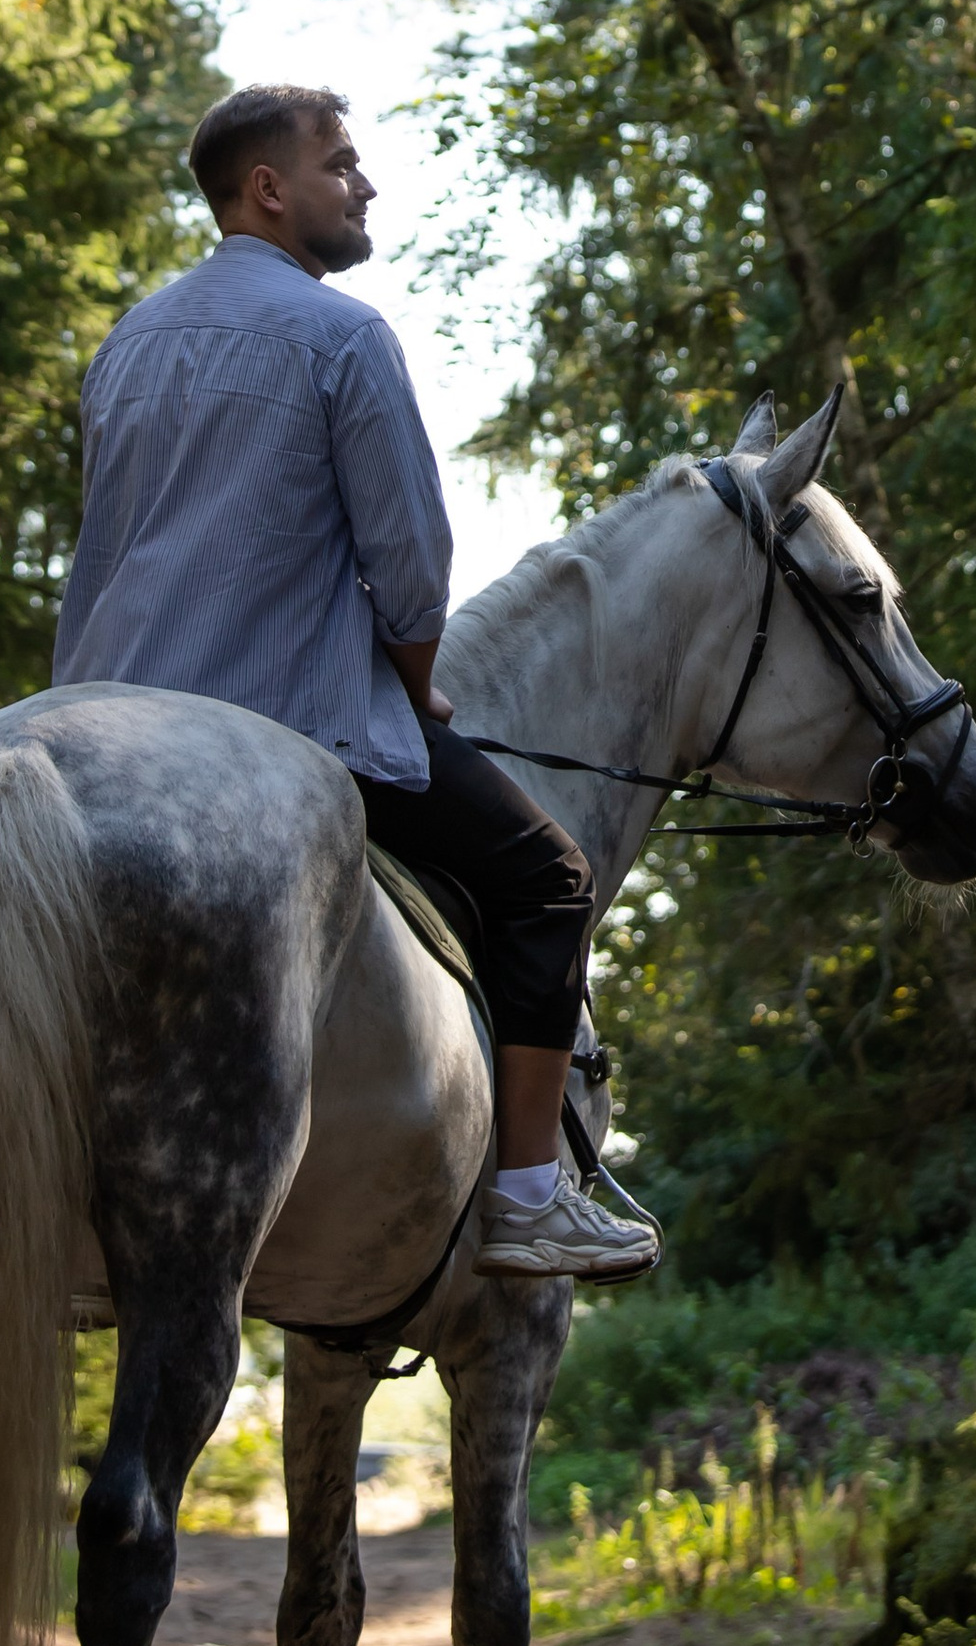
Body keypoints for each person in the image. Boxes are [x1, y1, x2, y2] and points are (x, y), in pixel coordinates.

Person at [50, 80, 658, 1284]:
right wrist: (414, 685)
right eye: (339, 163)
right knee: (549, 880)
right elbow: (410, 562)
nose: (364, 184)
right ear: (267, 190)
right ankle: (530, 1198)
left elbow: (113, 547)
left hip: (105, 727)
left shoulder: (129, 345)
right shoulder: (344, 336)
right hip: (290, 719)